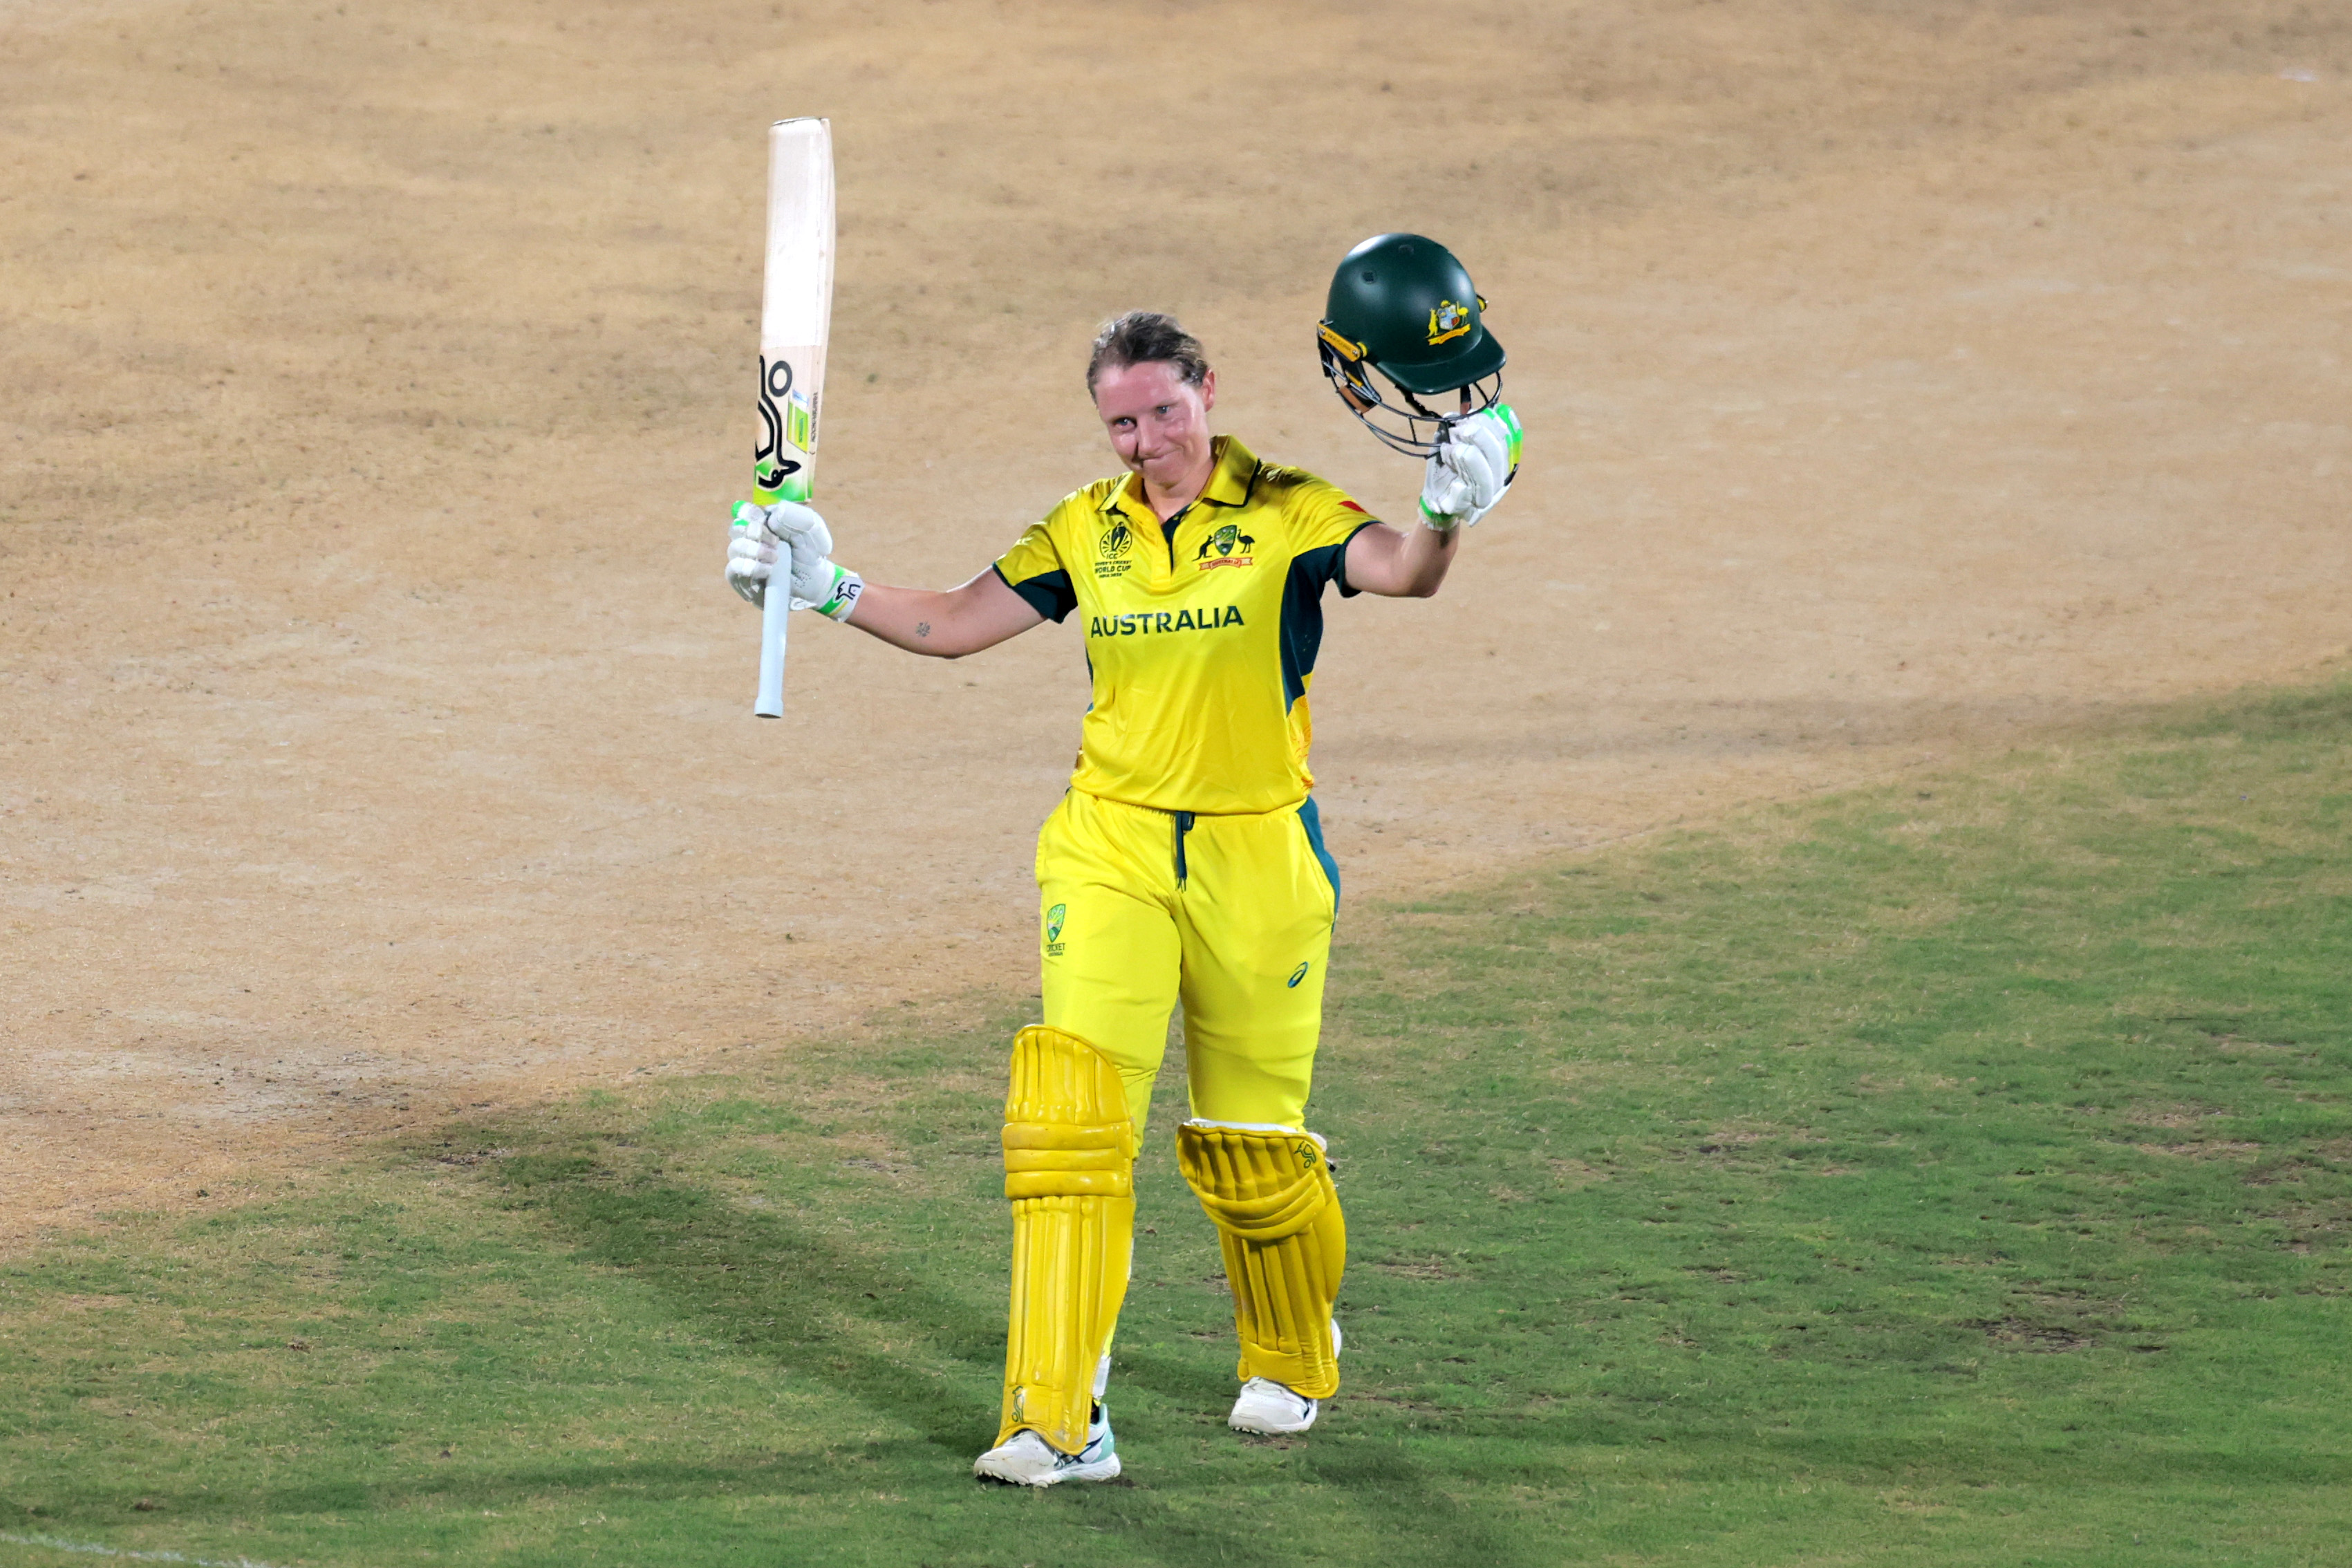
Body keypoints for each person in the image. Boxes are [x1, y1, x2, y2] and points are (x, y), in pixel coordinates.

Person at [724, 239, 1518, 1487]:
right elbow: (954, 623)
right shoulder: (1081, 531)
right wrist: (829, 587)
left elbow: (1403, 574)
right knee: (1069, 1130)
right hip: (1109, 847)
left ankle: (1292, 1351)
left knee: (1252, 1147)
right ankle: (1057, 1418)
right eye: (1121, 423)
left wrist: (1446, 513)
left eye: (1163, 413)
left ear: (1207, 393)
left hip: (1260, 858)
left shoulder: (1289, 510)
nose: (1146, 441)